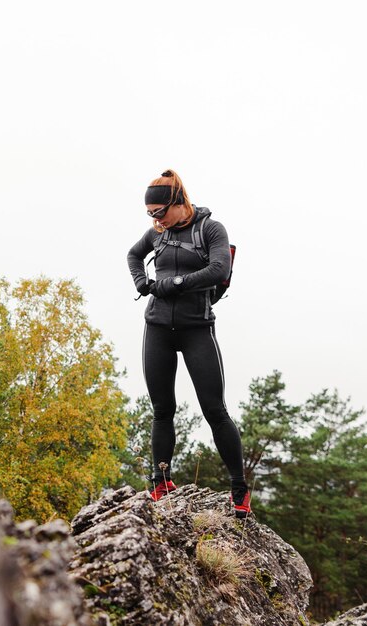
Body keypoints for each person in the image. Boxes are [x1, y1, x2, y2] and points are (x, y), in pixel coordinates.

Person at [126, 169, 250, 518]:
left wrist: (175, 283)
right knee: (162, 409)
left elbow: (218, 269)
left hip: (198, 328)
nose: (155, 220)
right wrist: (141, 281)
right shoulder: (157, 233)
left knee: (214, 410)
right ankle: (160, 481)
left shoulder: (211, 229)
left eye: (159, 212)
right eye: (149, 214)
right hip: (158, 328)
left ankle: (239, 490)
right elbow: (133, 255)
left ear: (179, 202)